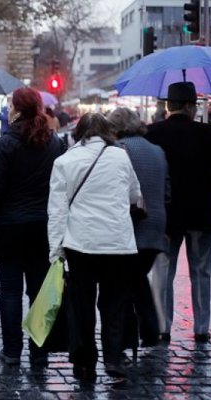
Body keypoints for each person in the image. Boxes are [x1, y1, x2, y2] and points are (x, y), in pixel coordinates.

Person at [48, 113, 141, 380]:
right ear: (107, 132)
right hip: (118, 244)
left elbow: (57, 212)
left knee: (82, 305)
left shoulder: (64, 161)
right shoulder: (121, 156)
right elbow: (134, 193)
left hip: (81, 244)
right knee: (114, 305)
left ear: (78, 133)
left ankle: (84, 361)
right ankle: (113, 359)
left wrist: (56, 252)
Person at [0, 88, 65, 366]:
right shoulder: (54, 143)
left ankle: (12, 351)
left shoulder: (5, 144)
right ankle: (39, 351)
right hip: (42, 227)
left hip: (10, 227)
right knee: (39, 292)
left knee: (10, 291)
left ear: (16, 110)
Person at [146, 82, 211, 344]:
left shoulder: (154, 132)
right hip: (202, 213)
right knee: (201, 271)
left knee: (163, 271)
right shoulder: (206, 133)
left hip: (168, 214)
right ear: (192, 107)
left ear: (168, 106)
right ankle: (201, 327)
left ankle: (163, 326)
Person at [108, 108, 169, 350]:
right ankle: (148, 330)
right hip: (156, 224)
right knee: (137, 278)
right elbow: (167, 189)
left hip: (131, 225)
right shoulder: (157, 150)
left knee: (125, 282)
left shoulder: (120, 149)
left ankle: (136, 333)